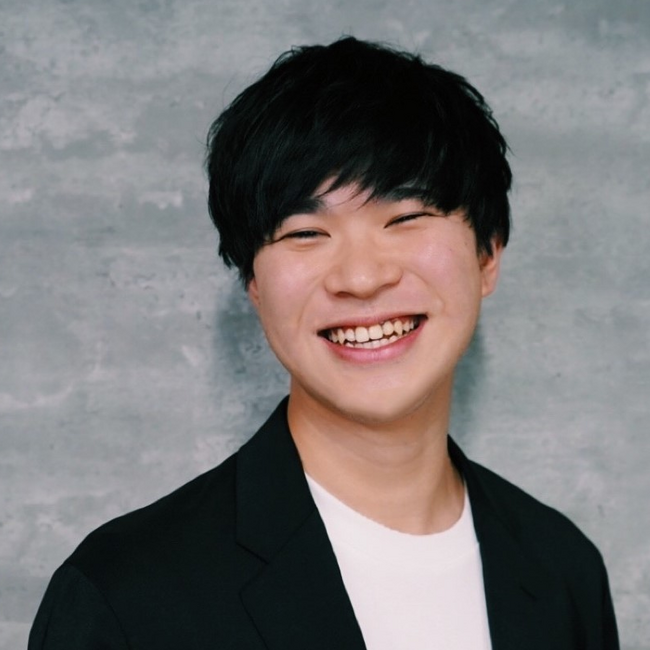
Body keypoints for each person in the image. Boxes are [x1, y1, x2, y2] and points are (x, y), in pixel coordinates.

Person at [29, 36, 619, 649]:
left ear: (488, 253)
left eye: (405, 217)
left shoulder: (564, 572)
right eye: (306, 232)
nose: (361, 278)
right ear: (254, 284)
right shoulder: (125, 595)